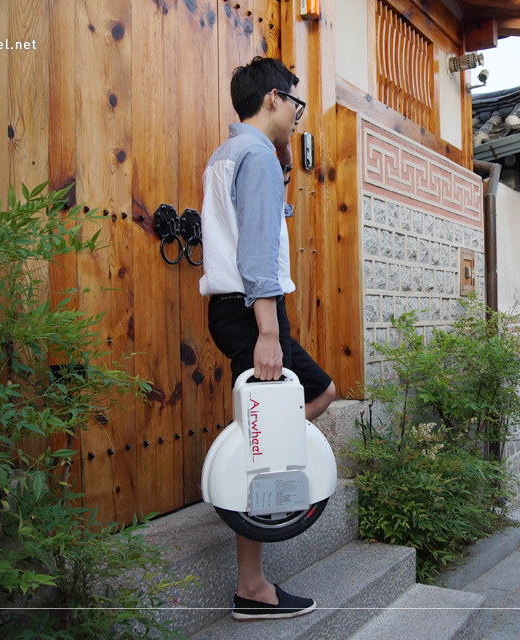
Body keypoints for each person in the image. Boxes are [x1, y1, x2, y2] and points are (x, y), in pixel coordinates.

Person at [200, 56, 335, 621]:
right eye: (295, 103)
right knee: (318, 394)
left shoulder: (226, 155)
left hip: (234, 310)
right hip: (250, 311)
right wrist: (269, 332)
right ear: (273, 98)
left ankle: (252, 584)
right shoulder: (256, 154)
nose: (297, 116)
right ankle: (252, 582)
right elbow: (256, 253)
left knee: (265, 426)